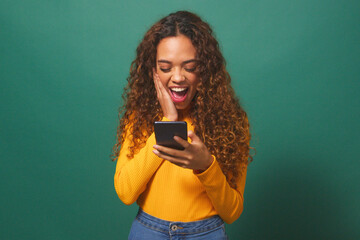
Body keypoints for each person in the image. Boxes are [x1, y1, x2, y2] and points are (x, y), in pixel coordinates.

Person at [113, 10, 252, 239]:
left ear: (205, 69)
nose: (178, 77)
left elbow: (232, 212)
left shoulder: (231, 121)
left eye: (190, 67)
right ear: (154, 71)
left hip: (206, 233)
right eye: (166, 67)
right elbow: (126, 193)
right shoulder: (140, 117)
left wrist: (206, 165)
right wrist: (167, 122)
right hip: (149, 231)